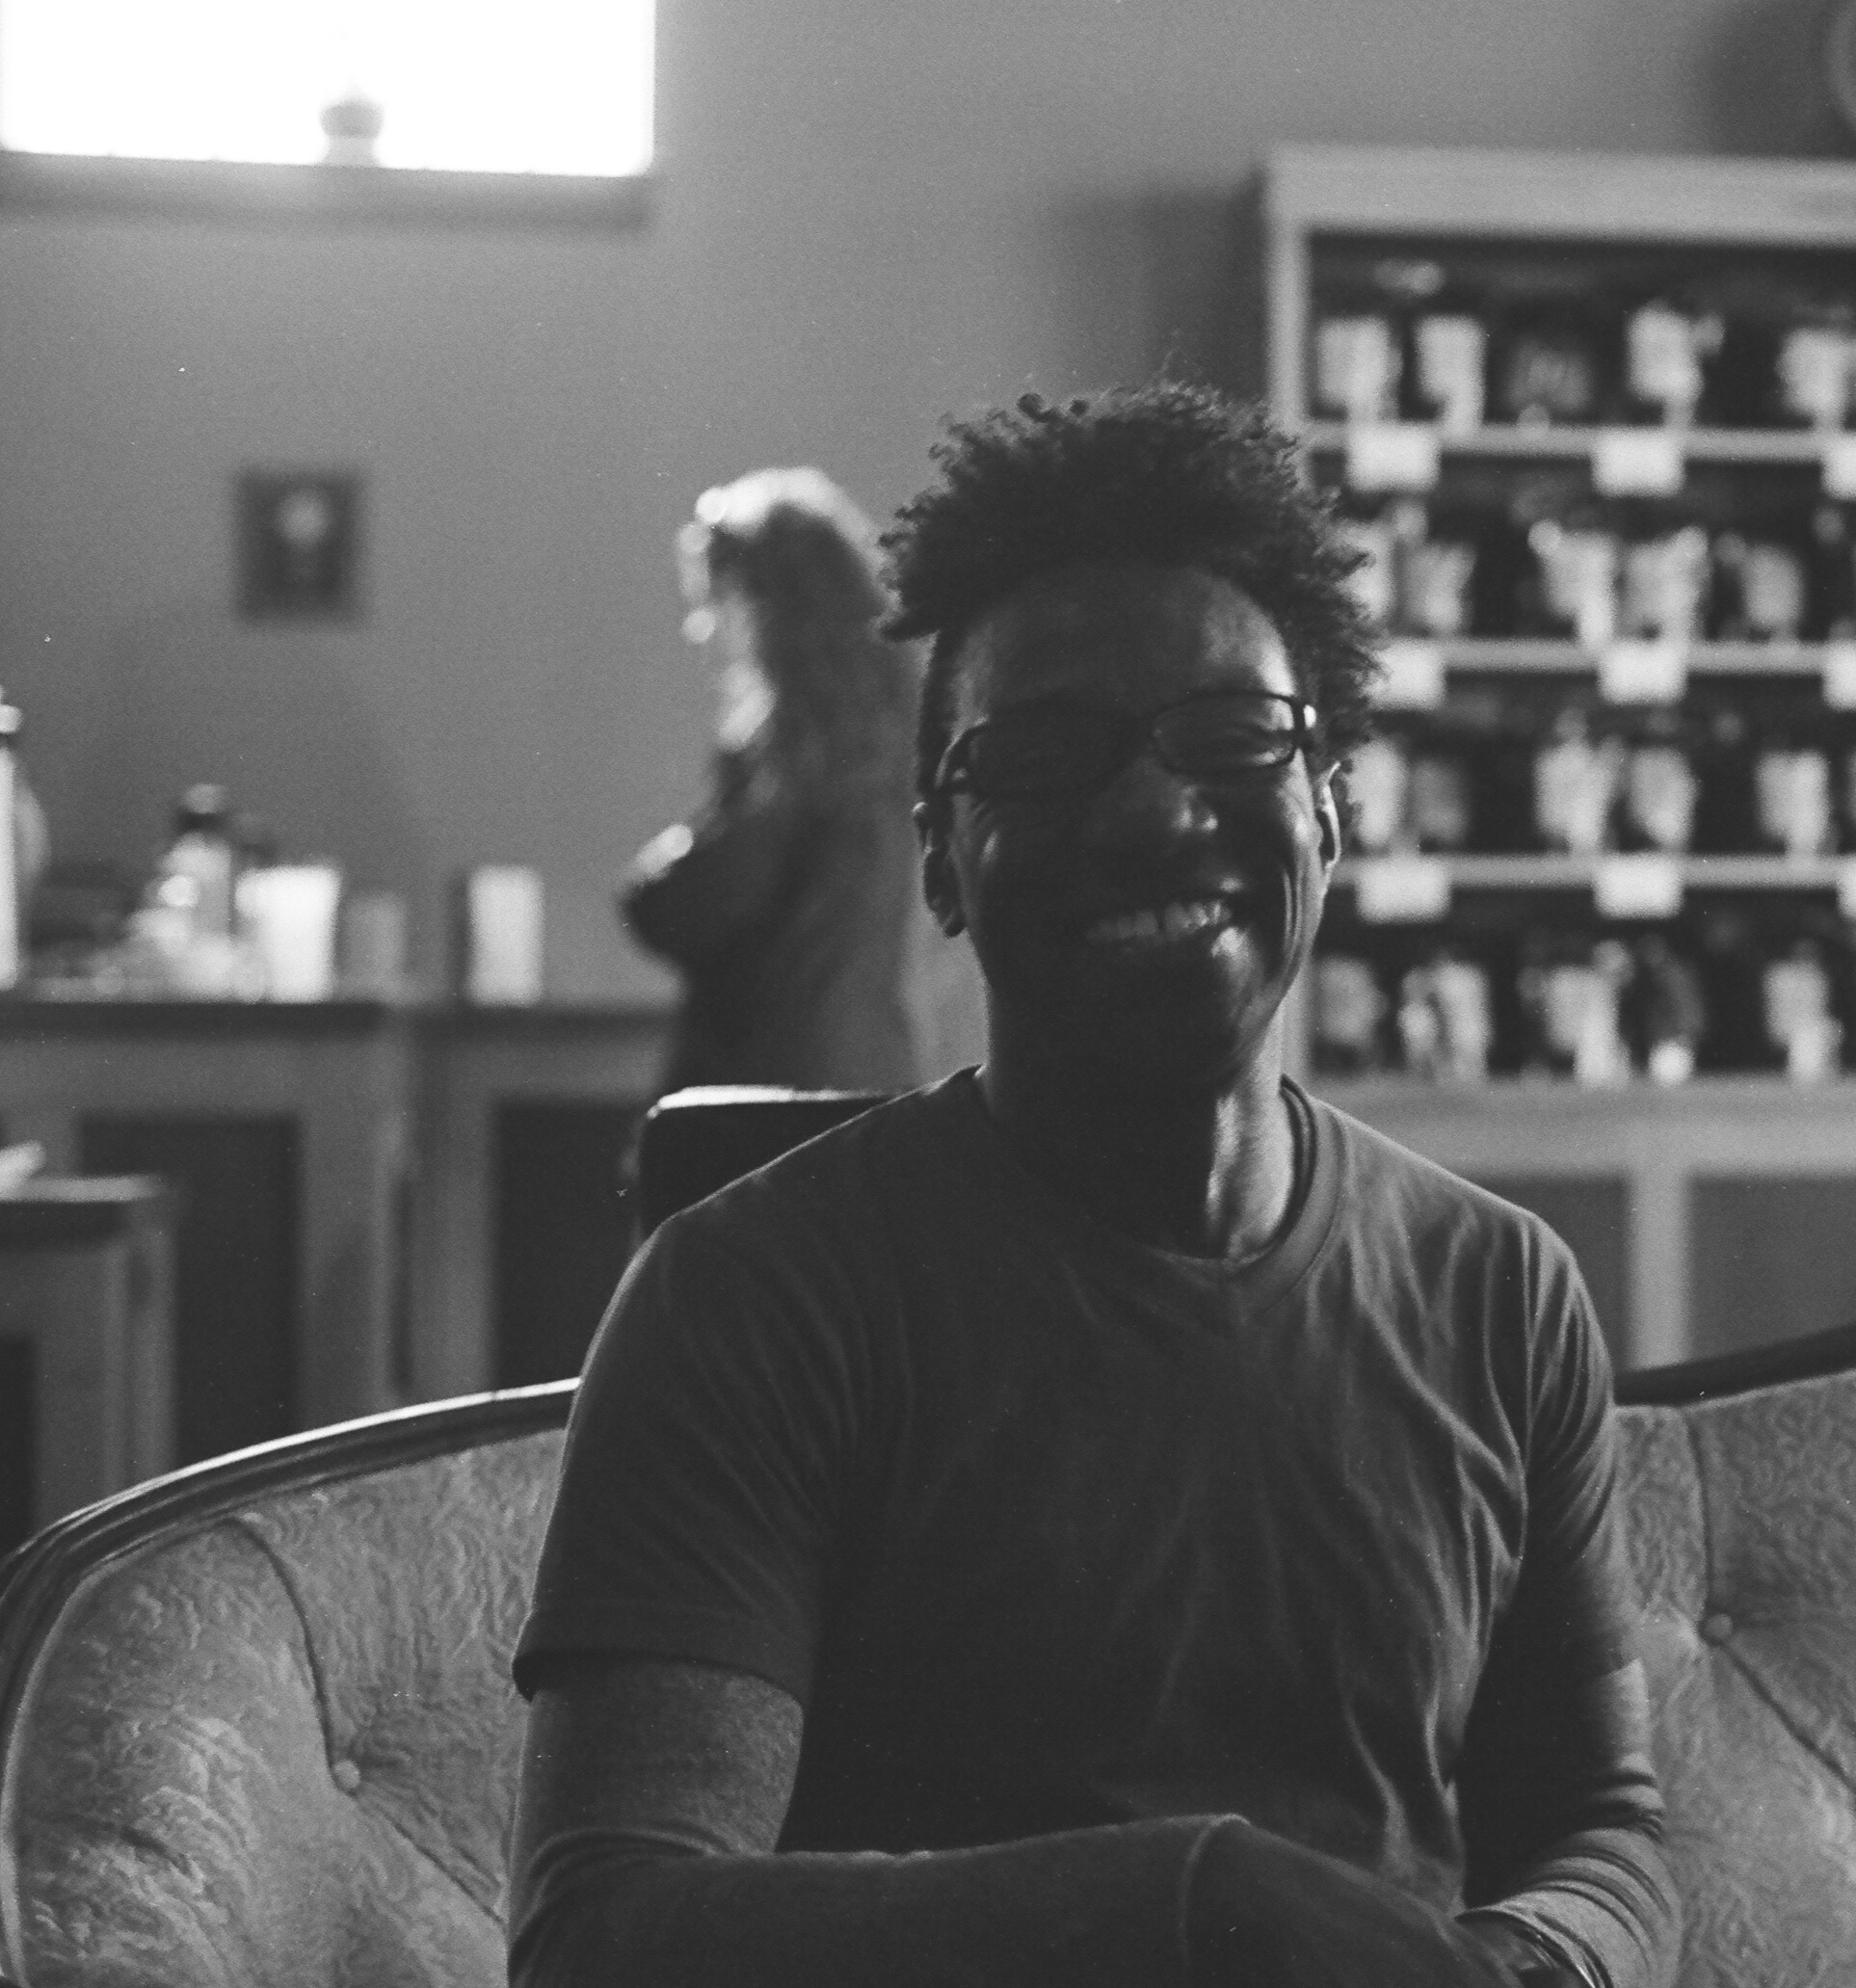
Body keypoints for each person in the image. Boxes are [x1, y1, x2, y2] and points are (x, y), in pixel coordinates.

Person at [511, 384, 1677, 1988]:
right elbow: (606, 1936)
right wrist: (1190, 1909)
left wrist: (1518, 1970)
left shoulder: (1500, 1290)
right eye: (1045, 753)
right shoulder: (749, 1298)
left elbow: (1601, 1831)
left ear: (1329, 804)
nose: (1150, 809)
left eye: (1232, 735)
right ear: (940, 855)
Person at [620, 466, 919, 1093]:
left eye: (716, 602)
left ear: (763, 604)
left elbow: (691, 908)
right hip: (870, 1070)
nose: (706, 629)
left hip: (771, 1086)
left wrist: (651, 882)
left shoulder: (787, 757)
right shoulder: (888, 738)